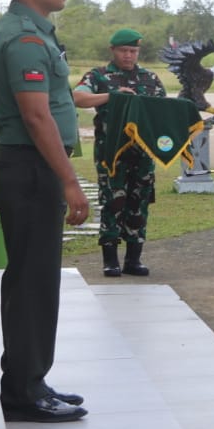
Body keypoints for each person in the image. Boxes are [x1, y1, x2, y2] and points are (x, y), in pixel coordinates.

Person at [0, 0, 92, 423]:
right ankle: (23, 392)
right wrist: (67, 179)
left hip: (25, 162)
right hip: (32, 168)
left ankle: (32, 380)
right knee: (32, 282)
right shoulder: (22, 37)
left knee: (34, 280)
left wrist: (6, 125)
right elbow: (38, 117)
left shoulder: (25, 30)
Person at [72, 28, 167, 276]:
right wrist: (111, 96)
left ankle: (133, 259)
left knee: (139, 203)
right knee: (113, 202)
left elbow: (163, 110)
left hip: (143, 153)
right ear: (113, 50)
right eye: (124, 51)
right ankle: (110, 259)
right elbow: (78, 98)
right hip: (111, 153)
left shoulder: (150, 78)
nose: (128, 56)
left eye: (133, 51)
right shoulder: (99, 76)